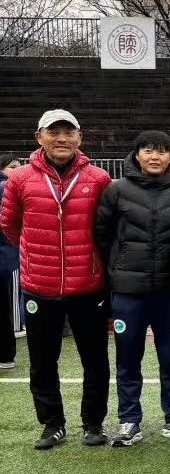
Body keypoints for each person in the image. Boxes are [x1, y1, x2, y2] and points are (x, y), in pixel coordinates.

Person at [0, 110, 112, 450]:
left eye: (68, 131)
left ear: (79, 137)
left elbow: (107, 228)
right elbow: (10, 225)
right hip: (40, 286)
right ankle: (52, 424)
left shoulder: (99, 178)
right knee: (42, 362)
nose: (61, 138)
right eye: (53, 132)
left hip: (88, 285)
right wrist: (35, 256)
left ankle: (93, 423)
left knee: (95, 361)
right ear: (40, 137)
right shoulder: (20, 180)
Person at [94, 131, 170, 445]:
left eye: (162, 151)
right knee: (128, 359)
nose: (155, 157)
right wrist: (116, 272)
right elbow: (101, 235)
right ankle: (129, 421)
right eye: (149, 151)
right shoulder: (116, 190)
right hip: (128, 292)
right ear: (137, 154)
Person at [0, 153, 22, 369]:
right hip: (7, 254)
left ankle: (6, 353)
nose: (18, 170)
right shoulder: (8, 188)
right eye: (13, 167)